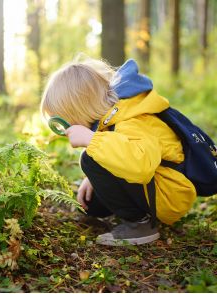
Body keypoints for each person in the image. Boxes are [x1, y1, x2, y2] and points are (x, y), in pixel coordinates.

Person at [40, 56, 197, 246]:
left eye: (66, 121)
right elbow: (120, 151)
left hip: (169, 194)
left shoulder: (131, 117)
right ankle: (129, 213)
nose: (65, 130)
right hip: (155, 187)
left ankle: (139, 224)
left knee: (89, 159)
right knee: (92, 204)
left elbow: (141, 165)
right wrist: (93, 177)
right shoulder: (111, 117)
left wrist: (91, 141)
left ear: (81, 109)